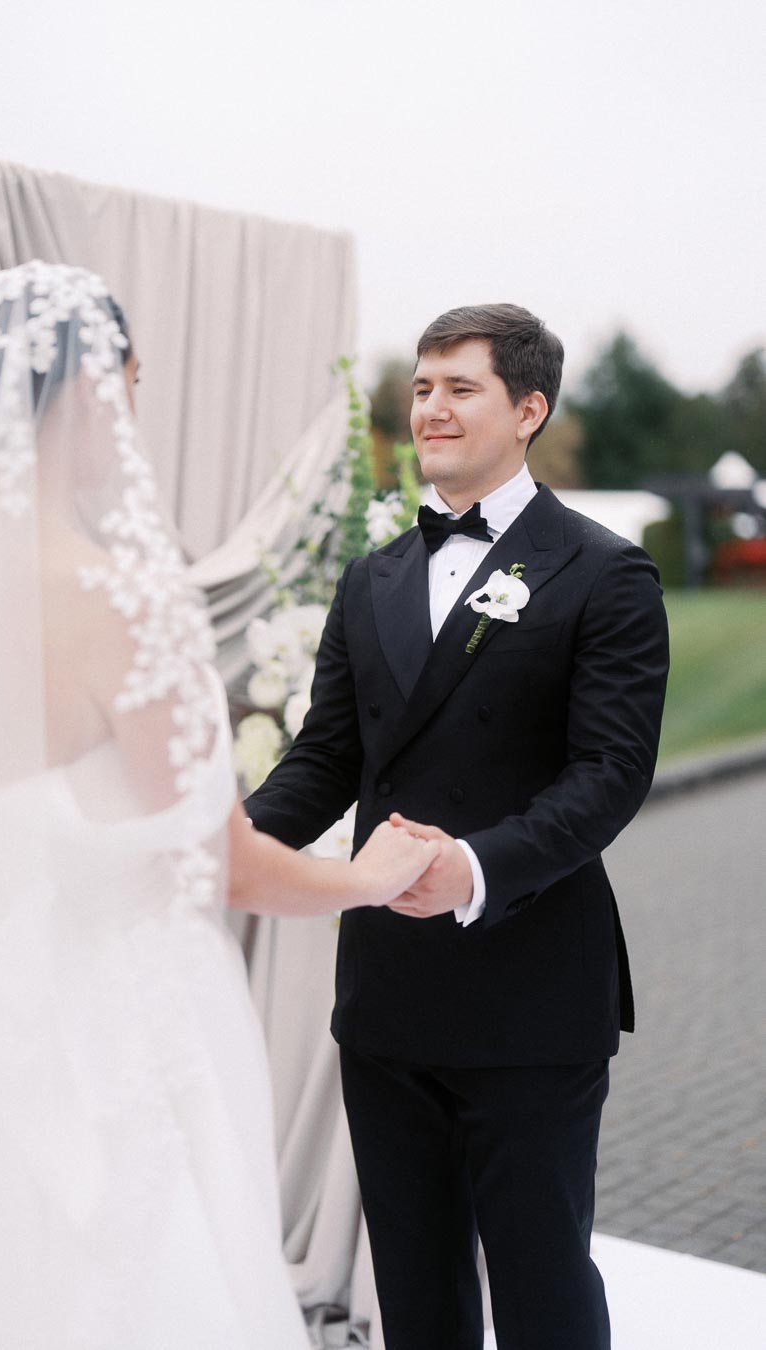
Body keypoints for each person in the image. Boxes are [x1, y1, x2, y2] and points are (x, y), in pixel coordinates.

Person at [0, 260, 439, 1350]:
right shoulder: (125, 599)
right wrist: (370, 876)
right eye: (131, 378)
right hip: (96, 1032)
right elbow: (229, 865)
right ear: (92, 389)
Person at [247, 303, 670, 1350]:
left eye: (459, 387)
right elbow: (326, 759)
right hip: (388, 995)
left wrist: (475, 869)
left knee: (542, 1289)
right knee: (417, 1292)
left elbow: (609, 776)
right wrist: (221, 842)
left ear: (528, 409)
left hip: (531, 992)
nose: (430, 407)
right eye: (423, 387)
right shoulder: (372, 579)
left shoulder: (604, 574)